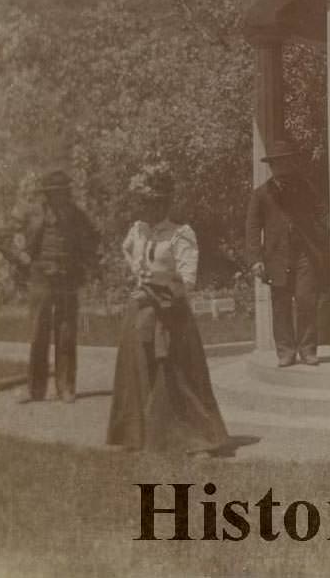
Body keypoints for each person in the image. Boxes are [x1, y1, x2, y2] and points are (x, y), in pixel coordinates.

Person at [106, 164, 228, 454]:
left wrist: (160, 288)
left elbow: (187, 280)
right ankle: (141, 437)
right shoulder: (137, 231)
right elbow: (127, 251)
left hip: (171, 314)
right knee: (139, 372)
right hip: (140, 311)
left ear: (165, 202)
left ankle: (198, 441)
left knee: (177, 376)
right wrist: (139, 276)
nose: (148, 207)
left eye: (154, 201)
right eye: (144, 202)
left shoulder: (180, 234)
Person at [0, 168, 99, 404]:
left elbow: (93, 237)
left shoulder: (76, 214)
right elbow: (1, 235)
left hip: (67, 278)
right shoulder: (31, 212)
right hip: (40, 277)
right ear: (46, 194)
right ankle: (36, 389)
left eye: (63, 193)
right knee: (38, 333)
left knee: (66, 333)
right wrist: (21, 258)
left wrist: (87, 262)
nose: (59, 198)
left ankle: (66, 387)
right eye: (54, 194)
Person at [245, 139, 328, 367]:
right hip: (276, 257)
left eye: (285, 162)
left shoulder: (305, 187)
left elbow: (322, 213)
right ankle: (285, 351)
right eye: (276, 163)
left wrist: (319, 238)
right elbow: (252, 229)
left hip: (304, 255)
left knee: (305, 300)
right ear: (271, 166)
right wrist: (255, 260)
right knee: (280, 304)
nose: (282, 167)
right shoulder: (261, 194)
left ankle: (308, 349)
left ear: (291, 162)